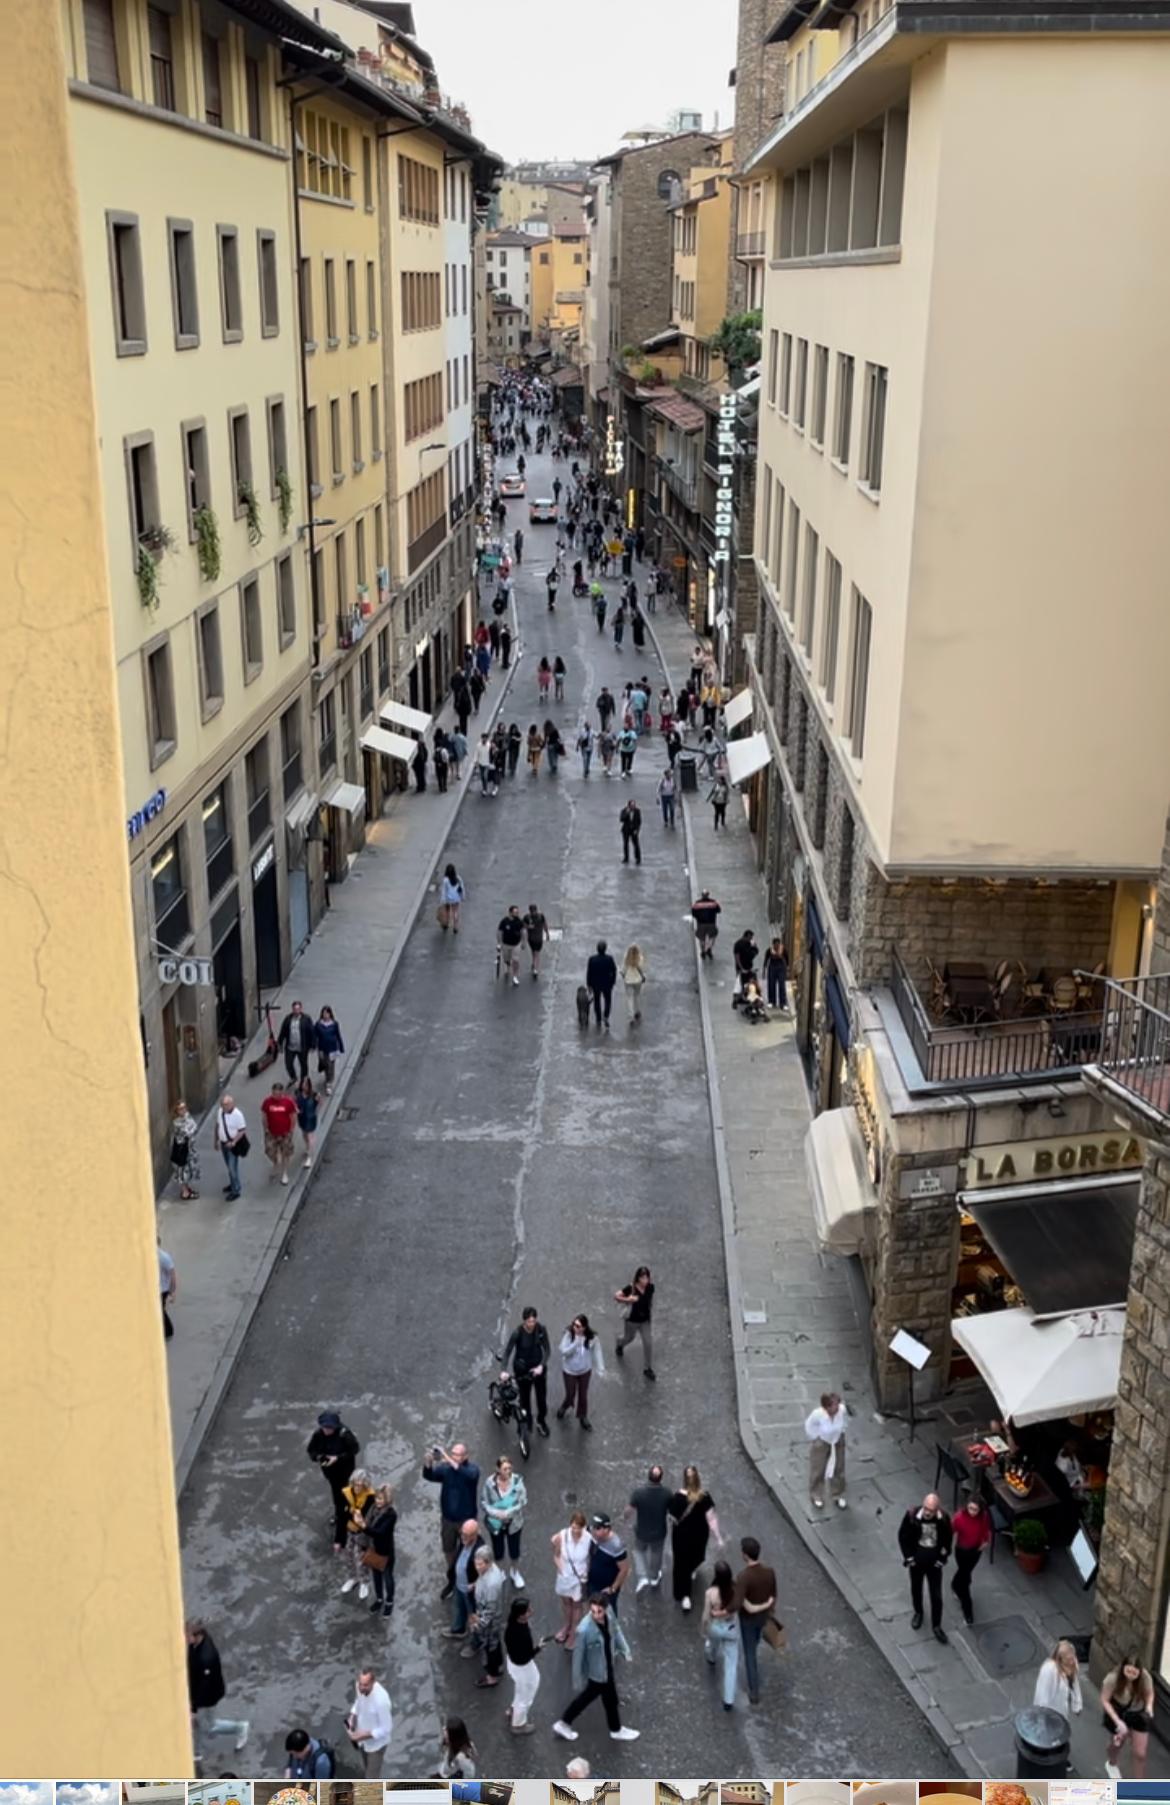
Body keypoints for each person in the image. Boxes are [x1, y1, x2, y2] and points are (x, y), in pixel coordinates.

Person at [552, 1594, 638, 1743]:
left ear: (605, 1609)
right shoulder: (584, 1630)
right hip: (597, 1672)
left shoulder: (609, 1614)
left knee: (608, 1697)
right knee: (589, 1697)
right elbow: (578, 1658)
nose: (596, 1615)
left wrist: (624, 1650)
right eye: (593, 1611)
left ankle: (615, 1728)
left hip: (607, 1665)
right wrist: (577, 1680)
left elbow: (616, 1631)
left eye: (599, 1611)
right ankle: (565, 1722)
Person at [186, 1619, 249, 1762]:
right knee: (199, 1723)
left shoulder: (206, 1657)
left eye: (188, 1636)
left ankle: (239, 1728)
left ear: (198, 1636)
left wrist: (194, 1708)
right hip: (198, 1691)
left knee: (209, 1726)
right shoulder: (197, 1644)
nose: (186, 1639)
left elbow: (204, 1687)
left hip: (208, 1697)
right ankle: (196, 1751)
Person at [424, 1442, 481, 1593]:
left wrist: (446, 1457)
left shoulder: (472, 1470)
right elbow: (429, 1475)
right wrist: (428, 1463)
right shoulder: (446, 1469)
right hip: (448, 1519)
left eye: (458, 1455)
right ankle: (453, 1577)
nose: (454, 1457)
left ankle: (470, 1579)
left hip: (466, 1520)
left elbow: (468, 1475)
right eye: (453, 1454)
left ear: (466, 1456)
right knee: (448, 1549)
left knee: (469, 1551)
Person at [898, 1491, 954, 1643]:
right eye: (926, 1508)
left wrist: (943, 1558)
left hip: (934, 1565)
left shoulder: (943, 1519)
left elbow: (948, 1540)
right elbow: (903, 1536)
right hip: (917, 1562)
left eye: (931, 1510)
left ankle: (937, 1625)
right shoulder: (911, 1516)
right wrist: (909, 1558)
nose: (928, 1512)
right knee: (916, 1588)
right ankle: (918, 1613)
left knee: (936, 1595)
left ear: (937, 1509)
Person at [668, 1465, 723, 1611]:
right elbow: (711, 1519)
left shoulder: (677, 1497)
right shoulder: (704, 1496)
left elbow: (672, 1518)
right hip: (699, 1536)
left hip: (681, 1537)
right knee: (695, 1558)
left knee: (680, 1565)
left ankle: (683, 1595)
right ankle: (688, 1581)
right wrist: (718, 1538)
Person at [307, 1409, 361, 1551]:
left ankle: (341, 1537)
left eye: (329, 1428)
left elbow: (354, 1449)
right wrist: (319, 1457)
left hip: (345, 1473)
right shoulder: (319, 1435)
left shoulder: (344, 1435)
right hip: (331, 1474)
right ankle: (342, 1515)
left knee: (343, 1501)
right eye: (324, 1427)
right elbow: (311, 1451)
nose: (326, 1430)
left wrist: (337, 1458)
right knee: (337, 1498)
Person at [735, 1535, 776, 1706]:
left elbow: (738, 1602)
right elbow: (774, 1594)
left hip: (748, 1619)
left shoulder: (743, 1577)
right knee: (756, 1638)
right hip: (763, 1617)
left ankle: (754, 1691)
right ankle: (756, 1641)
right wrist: (768, 1609)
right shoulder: (769, 1572)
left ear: (745, 1555)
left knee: (749, 1654)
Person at [1101, 1653, 1156, 1777]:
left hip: (1138, 1711)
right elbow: (1104, 1699)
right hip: (1118, 1711)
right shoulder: (1113, 1678)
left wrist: (1149, 1706)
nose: (1131, 1676)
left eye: (1134, 1673)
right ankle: (1112, 1763)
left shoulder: (1145, 1677)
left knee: (1140, 1754)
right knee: (1117, 1744)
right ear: (1123, 1668)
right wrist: (1117, 1721)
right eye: (1128, 1671)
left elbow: (1149, 1693)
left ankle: (1138, 1784)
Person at [503, 1304, 552, 1436]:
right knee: (525, 1401)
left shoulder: (541, 1329)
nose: (532, 1324)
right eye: (529, 1321)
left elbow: (547, 1350)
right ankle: (526, 1423)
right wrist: (504, 1370)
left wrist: (541, 1365)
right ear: (524, 1321)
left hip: (538, 1370)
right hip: (522, 1371)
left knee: (541, 1399)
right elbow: (507, 1352)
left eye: (534, 1321)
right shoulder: (517, 1333)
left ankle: (541, 1421)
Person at [482, 1454, 529, 1585]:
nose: (508, 1471)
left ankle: (514, 1572)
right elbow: (484, 1502)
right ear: (497, 1469)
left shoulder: (518, 1481)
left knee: (514, 1551)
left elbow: (523, 1501)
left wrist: (508, 1512)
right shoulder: (489, 1483)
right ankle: (501, 1571)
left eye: (509, 1468)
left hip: (514, 1523)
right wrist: (496, 1512)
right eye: (504, 1469)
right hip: (496, 1523)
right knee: (498, 1551)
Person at [702, 1559, 741, 1710]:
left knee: (712, 1644)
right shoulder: (736, 1590)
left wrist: (704, 1627)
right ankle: (728, 1700)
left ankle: (711, 1657)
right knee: (731, 1663)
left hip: (715, 1627)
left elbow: (706, 1615)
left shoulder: (711, 1593)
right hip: (731, 1628)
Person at [551, 1510, 593, 1647]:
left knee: (577, 1605)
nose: (575, 1531)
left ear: (584, 1526)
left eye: (578, 1528)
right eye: (573, 1527)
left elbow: (591, 1559)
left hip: (579, 1578)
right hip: (564, 1577)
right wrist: (561, 1570)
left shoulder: (589, 1539)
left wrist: (587, 1573)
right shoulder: (562, 1536)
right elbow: (556, 1555)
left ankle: (574, 1632)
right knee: (566, 1604)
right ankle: (566, 1626)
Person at [626, 1464, 670, 1592]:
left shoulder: (639, 1493)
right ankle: (654, 1577)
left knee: (639, 1552)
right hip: (659, 1532)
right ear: (661, 1478)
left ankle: (643, 1576)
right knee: (656, 1554)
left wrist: (625, 1517)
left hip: (641, 1531)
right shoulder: (667, 1493)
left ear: (648, 1476)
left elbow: (629, 1510)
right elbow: (672, 1509)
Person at [557, 1313, 605, 1430]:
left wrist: (600, 1369)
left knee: (583, 1396)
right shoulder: (569, 1335)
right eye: (574, 1324)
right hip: (569, 1370)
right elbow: (563, 1351)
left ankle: (583, 1416)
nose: (575, 1327)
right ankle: (566, 1405)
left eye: (578, 1326)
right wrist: (575, 1344)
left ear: (584, 1327)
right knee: (570, 1394)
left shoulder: (592, 1338)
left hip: (585, 1370)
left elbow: (597, 1352)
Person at [949, 1494, 991, 1625]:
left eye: (975, 1509)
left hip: (976, 1551)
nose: (972, 1512)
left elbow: (986, 1530)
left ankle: (955, 1585)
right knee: (965, 1579)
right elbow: (949, 1531)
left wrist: (986, 1541)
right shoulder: (959, 1518)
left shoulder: (983, 1517)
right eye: (970, 1508)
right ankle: (968, 1611)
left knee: (964, 1573)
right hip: (962, 1551)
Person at [504, 1597, 544, 1734]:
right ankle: (518, 1724)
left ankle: (514, 1709)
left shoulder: (513, 1626)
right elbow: (525, 1656)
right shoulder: (520, 1634)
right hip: (522, 1666)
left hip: (514, 1663)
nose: (531, 1612)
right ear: (521, 1615)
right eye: (528, 1611)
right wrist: (538, 1648)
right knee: (526, 1693)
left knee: (521, 1689)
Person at [468, 1546, 506, 1688]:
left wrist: (477, 1625)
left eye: (480, 1564)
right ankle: (499, 1666)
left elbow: (489, 1612)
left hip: (489, 1621)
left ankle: (492, 1676)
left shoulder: (492, 1585)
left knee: (490, 1647)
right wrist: (475, 1585)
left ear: (488, 1563)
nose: (477, 1567)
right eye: (476, 1563)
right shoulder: (489, 1570)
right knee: (495, 1644)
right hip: (491, 1617)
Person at [346, 1665, 393, 1776]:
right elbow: (359, 1701)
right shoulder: (359, 1686)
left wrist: (365, 1735)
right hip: (362, 1739)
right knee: (366, 1764)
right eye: (360, 1684)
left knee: (371, 1778)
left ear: (373, 1682)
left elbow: (386, 1728)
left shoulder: (381, 1701)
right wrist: (353, 1716)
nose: (361, 1687)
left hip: (376, 1745)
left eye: (365, 1685)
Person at [443, 1517, 485, 1638]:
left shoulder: (481, 1552)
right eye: (462, 1534)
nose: (462, 1538)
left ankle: (477, 1642)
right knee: (458, 1609)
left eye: (467, 1535)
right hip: (459, 1584)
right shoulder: (464, 1541)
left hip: (470, 1591)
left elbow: (485, 1574)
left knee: (474, 1618)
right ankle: (458, 1630)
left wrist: (475, 1585)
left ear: (475, 1535)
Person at [805, 1391, 848, 1509]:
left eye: (838, 1404)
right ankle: (816, 1494)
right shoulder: (817, 1414)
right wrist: (816, 1439)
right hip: (822, 1442)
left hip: (837, 1441)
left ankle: (838, 1494)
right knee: (818, 1469)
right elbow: (809, 1426)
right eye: (835, 1405)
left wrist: (842, 1433)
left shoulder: (842, 1410)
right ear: (827, 1406)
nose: (838, 1406)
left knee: (839, 1468)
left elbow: (845, 1421)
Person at [362, 1482, 398, 1618]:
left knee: (387, 1577)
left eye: (381, 1499)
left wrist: (363, 1527)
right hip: (373, 1549)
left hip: (385, 1552)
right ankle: (379, 1599)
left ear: (387, 1500)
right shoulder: (373, 1509)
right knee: (376, 1576)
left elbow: (379, 1532)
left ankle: (389, 1601)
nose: (377, 1501)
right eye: (377, 1498)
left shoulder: (391, 1515)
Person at [339, 1467, 376, 1600]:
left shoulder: (370, 1497)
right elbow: (342, 1514)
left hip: (362, 1532)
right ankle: (352, 1578)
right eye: (356, 1484)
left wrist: (357, 1515)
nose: (358, 1487)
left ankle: (364, 1582)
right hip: (349, 1530)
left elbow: (369, 1516)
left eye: (361, 1485)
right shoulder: (346, 1493)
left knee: (361, 1559)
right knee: (348, 1556)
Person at [614, 1265, 655, 1378]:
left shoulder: (651, 1287)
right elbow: (616, 1296)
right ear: (638, 1278)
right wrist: (628, 1299)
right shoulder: (631, 1288)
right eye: (642, 1278)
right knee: (629, 1338)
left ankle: (648, 1368)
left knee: (648, 1343)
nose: (645, 1280)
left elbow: (649, 1301)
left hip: (645, 1321)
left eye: (646, 1278)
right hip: (632, 1321)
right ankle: (619, 1343)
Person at [586, 1513, 632, 1610]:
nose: (593, 1531)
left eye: (597, 1528)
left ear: (606, 1529)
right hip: (592, 1583)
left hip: (606, 1588)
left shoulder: (616, 1546)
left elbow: (624, 1569)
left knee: (608, 1612)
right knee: (593, 1609)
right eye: (593, 1527)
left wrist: (613, 1588)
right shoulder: (591, 1533)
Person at [1034, 1638, 1084, 1719]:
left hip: (1061, 1709)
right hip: (1049, 1710)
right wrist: (1042, 1716)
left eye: (1073, 1657)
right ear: (1061, 1658)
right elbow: (1042, 1693)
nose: (1072, 1661)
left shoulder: (1071, 1664)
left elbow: (1074, 1683)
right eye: (1068, 1659)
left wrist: (1077, 1705)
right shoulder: (1049, 1670)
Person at [261, 1080, 297, 1185]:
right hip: (271, 1133)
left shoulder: (288, 1102)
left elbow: (293, 1117)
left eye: (277, 1093)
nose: (275, 1095)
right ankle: (276, 1163)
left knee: (286, 1152)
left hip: (285, 1133)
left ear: (282, 1093)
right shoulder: (267, 1102)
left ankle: (284, 1172)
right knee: (269, 1151)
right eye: (274, 1093)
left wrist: (291, 1130)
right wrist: (265, 1129)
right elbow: (264, 1116)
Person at [215, 1092, 247, 1200]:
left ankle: (236, 1190)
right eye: (222, 1104)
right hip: (224, 1144)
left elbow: (242, 1131)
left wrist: (233, 1142)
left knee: (232, 1168)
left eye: (226, 1105)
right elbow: (218, 1125)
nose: (223, 1107)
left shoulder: (238, 1115)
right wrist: (216, 1140)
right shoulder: (220, 1112)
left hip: (232, 1145)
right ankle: (232, 1184)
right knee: (228, 1166)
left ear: (232, 1104)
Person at [277, 999, 315, 1084]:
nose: (296, 1011)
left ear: (301, 1009)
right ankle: (293, 1076)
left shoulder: (306, 1019)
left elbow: (312, 1032)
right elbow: (283, 1031)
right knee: (288, 1063)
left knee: (303, 1065)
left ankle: (303, 1081)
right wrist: (280, 1043)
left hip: (302, 1047)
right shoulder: (288, 1019)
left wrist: (313, 1045)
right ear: (292, 1009)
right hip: (290, 1047)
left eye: (298, 1009)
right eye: (295, 1009)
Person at [170, 1098, 200, 1199]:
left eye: (184, 1107)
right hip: (181, 1150)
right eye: (180, 1108)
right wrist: (190, 1127)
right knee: (182, 1171)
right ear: (177, 1110)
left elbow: (195, 1126)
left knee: (188, 1170)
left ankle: (187, 1188)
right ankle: (185, 1193)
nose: (183, 1110)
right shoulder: (176, 1122)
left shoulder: (187, 1116)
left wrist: (191, 1127)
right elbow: (188, 1132)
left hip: (189, 1149)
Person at [586, 939, 618, 1028]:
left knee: (597, 1001)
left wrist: (589, 984)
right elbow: (614, 970)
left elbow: (589, 973)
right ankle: (606, 1016)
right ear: (605, 949)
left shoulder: (592, 959)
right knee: (608, 1001)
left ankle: (598, 1018)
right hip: (607, 984)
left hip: (596, 984)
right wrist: (613, 982)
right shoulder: (609, 959)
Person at [314, 1005, 344, 1094]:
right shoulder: (318, 1024)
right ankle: (328, 1077)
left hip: (332, 1048)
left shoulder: (334, 1024)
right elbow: (315, 1036)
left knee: (330, 1065)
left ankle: (329, 1083)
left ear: (330, 1014)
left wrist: (341, 1047)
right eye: (324, 1013)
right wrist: (314, 1046)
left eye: (327, 1013)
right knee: (325, 1064)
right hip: (322, 1049)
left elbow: (338, 1035)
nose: (326, 1015)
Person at [497, 905, 525, 987]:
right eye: (515, 912)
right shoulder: (504, 921)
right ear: (510, 912)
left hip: (516, 944)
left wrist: (523, 942)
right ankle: (507, 965)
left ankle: (515, 976)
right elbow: (499, 932)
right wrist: (499, 943)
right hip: (506, 944)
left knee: (515, 960)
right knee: (506, 958)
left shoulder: (519, 921)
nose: (517, 914)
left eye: (517, 912)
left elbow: (523, 931)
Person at [295, 1076, 318, 1170]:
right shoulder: (299, 1095)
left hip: (310, 1119)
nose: (304, 1086)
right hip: (302, 1119)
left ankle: (309, 1157)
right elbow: (296, 1105)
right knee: (304, 1135)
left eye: (306, 1084)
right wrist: (297, 1110)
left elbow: (318, 1103)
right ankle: (308, 1147)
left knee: (309, 1136)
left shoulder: (313, 1095)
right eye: (303, 1084)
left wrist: (313, 1111)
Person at [691, 891, 722, 958]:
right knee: (712, 937)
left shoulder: (697, 903)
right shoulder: (713, 903)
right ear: (708, 895)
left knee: (701, 939)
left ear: (702, 895)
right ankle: (709, 948)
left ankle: (703, 951)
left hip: (701, 924)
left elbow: (693, 913)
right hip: (711, 923)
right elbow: (719, 910)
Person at [732, 929, 759, 1005]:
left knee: (747, 983)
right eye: (750, 937)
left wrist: (754, 945)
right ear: (747, 936)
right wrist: (741, 968)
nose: (751, 939)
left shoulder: (749, 944)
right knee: (740, 983)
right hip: (741, 968)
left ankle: (745, 997)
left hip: (748, 966)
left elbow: (755, 952)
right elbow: (737, 957)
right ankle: (738, 998)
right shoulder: (738, 944)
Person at [621, 945, 647, 1023]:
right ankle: (637, 1011)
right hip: (638, 980)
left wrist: (623, 975)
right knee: (637, 996)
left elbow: (623, 969)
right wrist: (643, 976)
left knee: (629, 998)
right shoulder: (640, 958)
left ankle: (630, 1016)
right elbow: (642, 968)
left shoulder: (626, 957)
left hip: (628, 980)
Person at [762, 938, 789, 1012]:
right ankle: (771, 1001)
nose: (776, 946)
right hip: (772, 968)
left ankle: (783, 1003)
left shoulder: (783, 950)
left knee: (781, 986)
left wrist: (787, 970)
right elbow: (766, 960)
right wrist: (764, 971)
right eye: (775, 945)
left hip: (781, 968)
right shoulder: (769, 950)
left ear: (780, 944)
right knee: (771, 985)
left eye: (778, 944)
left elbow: (787, 959)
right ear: (773, 944)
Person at [158, 1237, 177, 1340]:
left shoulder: (164, 1257)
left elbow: (173, 1275)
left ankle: (168, 1331)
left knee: (160, 1310)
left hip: (162, 1290)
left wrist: (173, 1292)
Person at [523, 904, 549, 980]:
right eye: (532, 911)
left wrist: (547, 933)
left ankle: (534, 966)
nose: (533, 912)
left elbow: (545, 925)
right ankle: (535, 967)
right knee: (535, 952)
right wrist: (528, 927)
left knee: (536, 953)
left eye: (534, 911)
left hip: (538, 938)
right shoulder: (527, 917)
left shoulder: (540, 917)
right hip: (532, 938)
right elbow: (523, 926)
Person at [440, 863, 466, 933]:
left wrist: (443, 900)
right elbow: (462, 888)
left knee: (447, 911)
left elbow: (444, 891)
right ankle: (455, 927)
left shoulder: (445, 880)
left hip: (448, 898)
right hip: (456, 898)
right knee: (455, 911)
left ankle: (446, 923)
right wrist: (462, 897)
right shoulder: (458, 878)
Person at [619, 799, 642, 866]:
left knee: (636, 845)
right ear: (629, 806)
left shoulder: (637, 811)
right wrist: (627, 813)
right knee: (625, 844)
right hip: (626, 830)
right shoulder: (624, 810)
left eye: (634, 805)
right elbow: (621, 819)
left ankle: (638, 858)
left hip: (634, 830)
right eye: (631, 805)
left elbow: (639, 822)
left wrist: (637, 830)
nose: (633, 807)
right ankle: (626, 858)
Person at [476, 732, 496, 797]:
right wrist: (476, 761)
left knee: (485, 776)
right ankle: (484, 788)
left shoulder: (489, 745)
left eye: (485, 738)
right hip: (481, 763)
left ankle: (485, 789)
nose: (484, 739)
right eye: (483, 738)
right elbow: (477, 754)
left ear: (487, 739)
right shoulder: (478, 745)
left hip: (487, 763)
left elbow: (493, 753)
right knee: (482, 777)